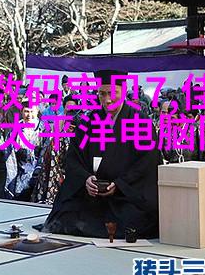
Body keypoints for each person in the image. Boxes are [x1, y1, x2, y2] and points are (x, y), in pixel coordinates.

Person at [42, 70, 161, 239]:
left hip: (125, 195)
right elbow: (73, 157)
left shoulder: (140, 122)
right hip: (93, 195)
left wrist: (119, 185)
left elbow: (147, 163)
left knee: (136, 220)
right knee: (64, 214)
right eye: (102, 94)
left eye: (112, 93)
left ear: (123, 91)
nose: (107, 100)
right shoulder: (89, 121)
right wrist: (85, 179)